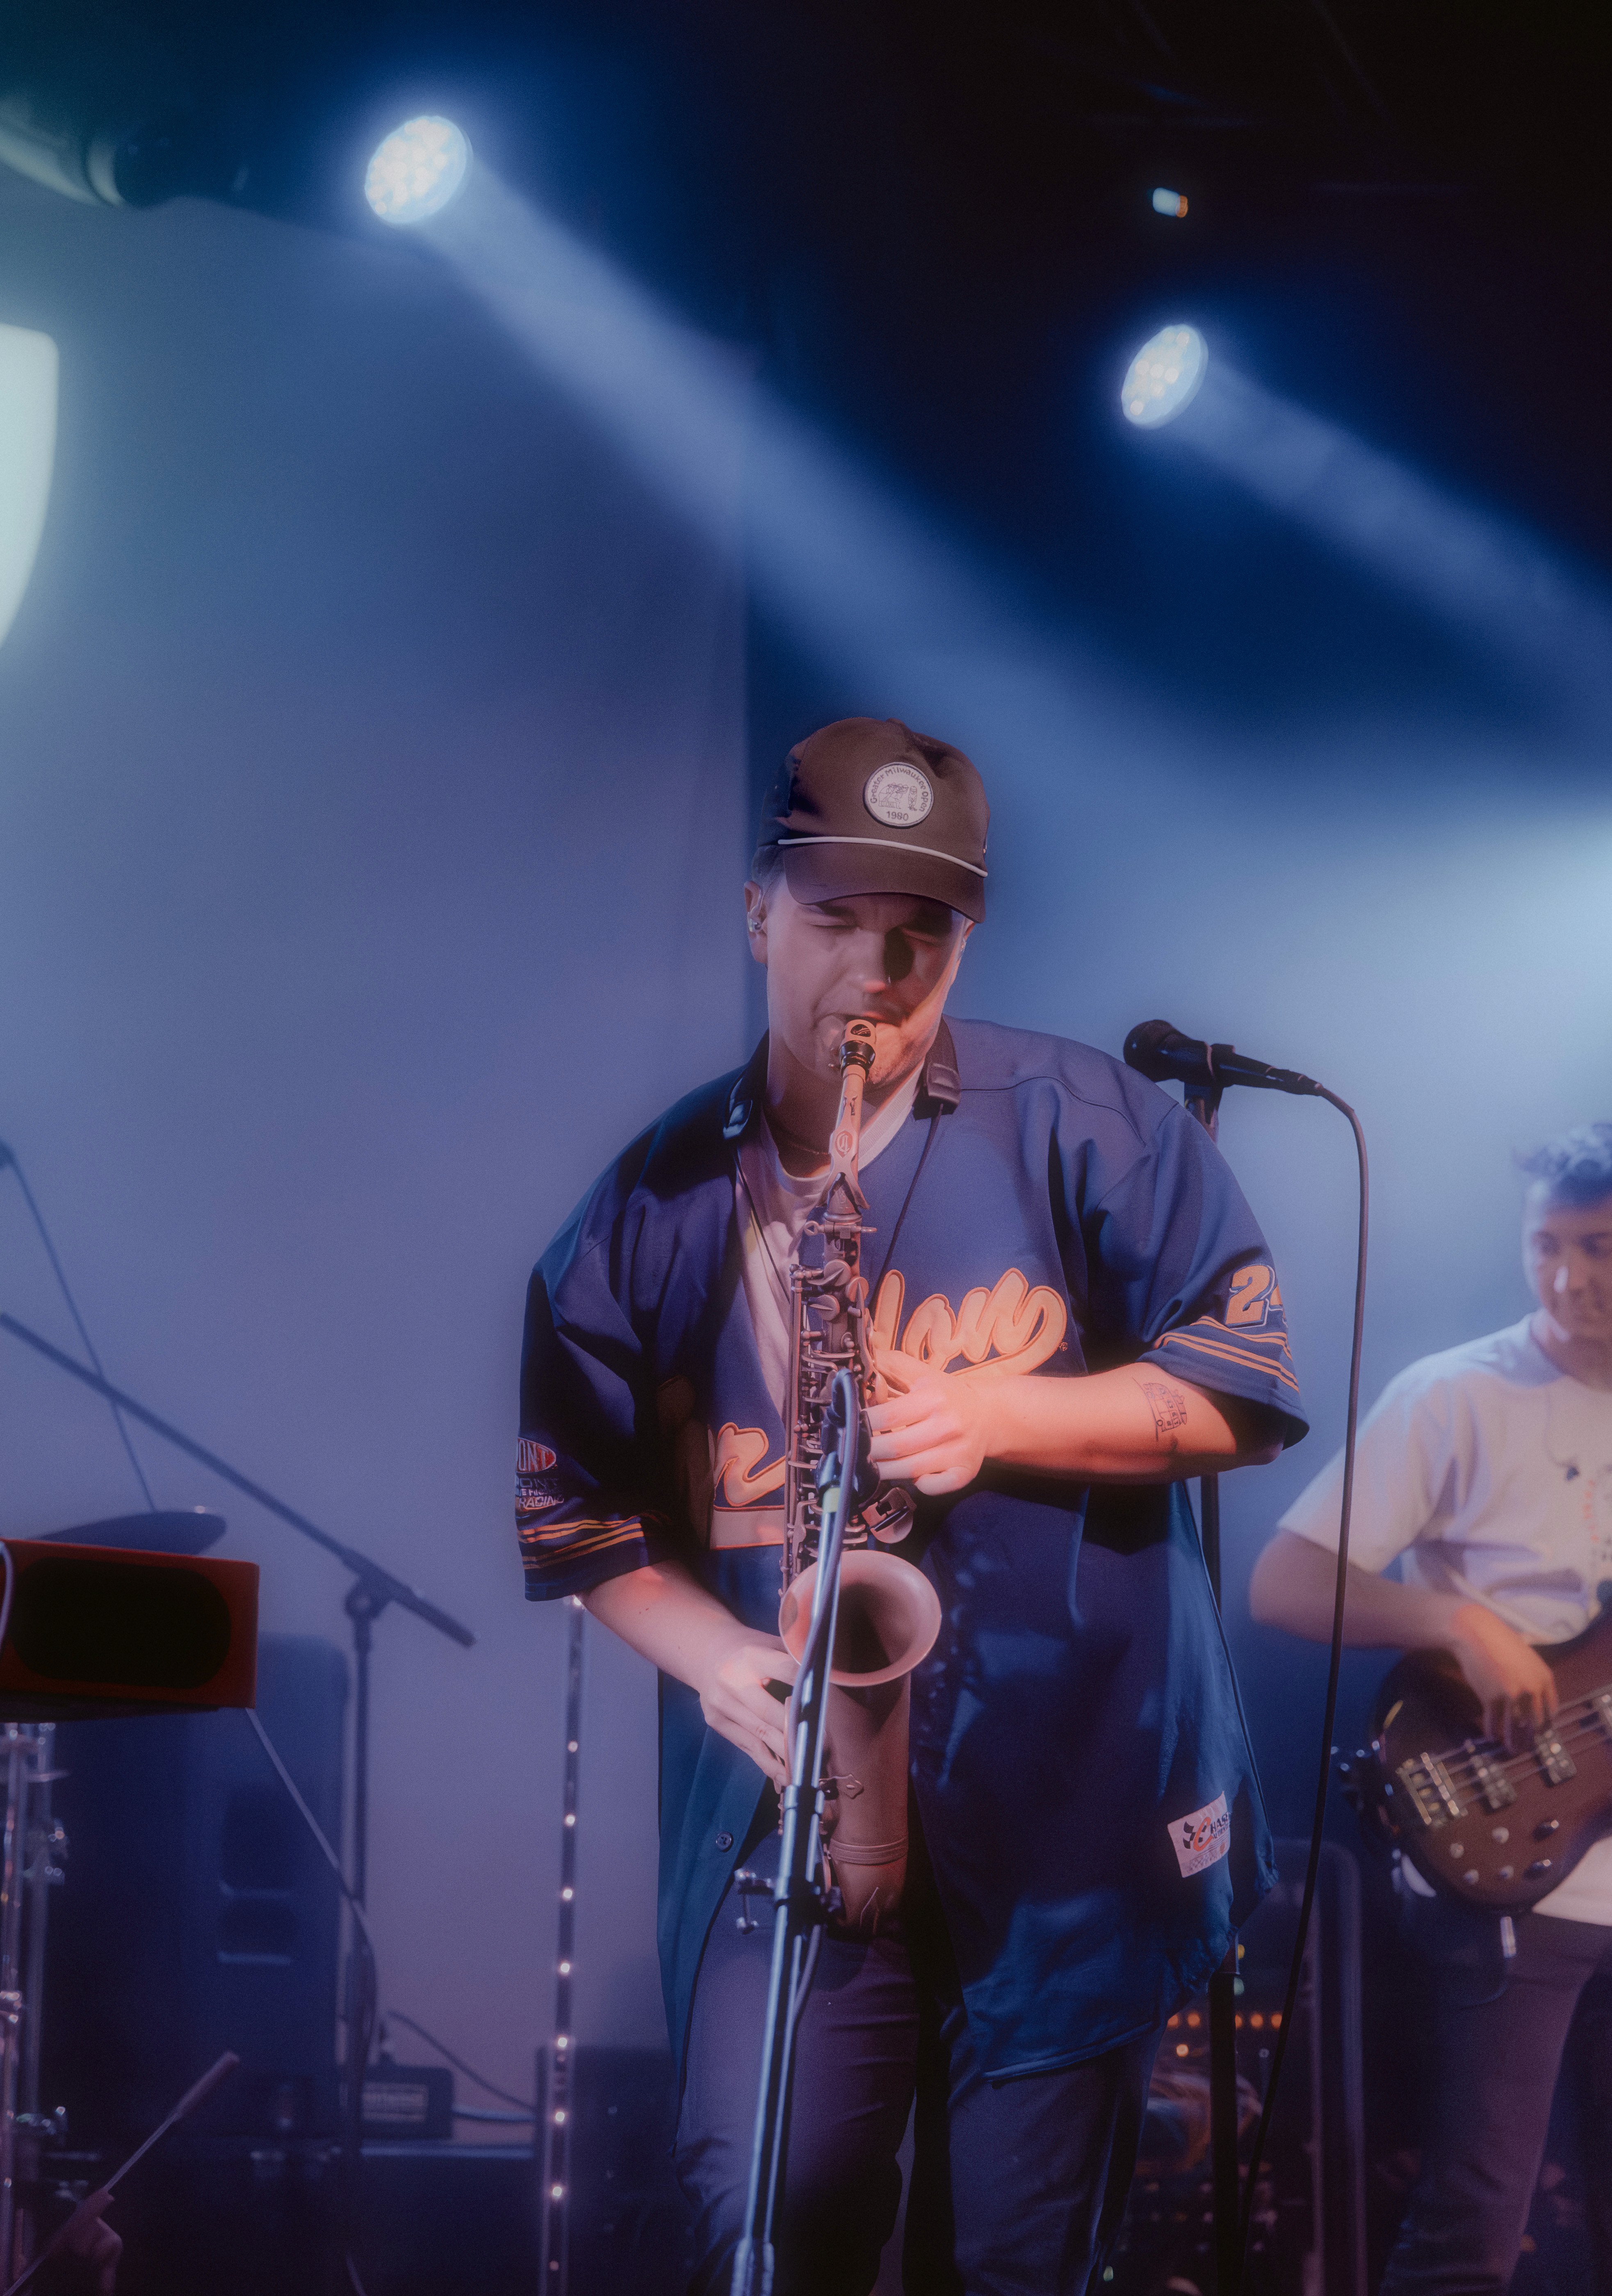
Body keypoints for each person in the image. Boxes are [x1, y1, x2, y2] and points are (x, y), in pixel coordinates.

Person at [517, 717, 1310, 2294]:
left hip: (1074, 1804)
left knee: (1017, 2261)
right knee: (768, 2207)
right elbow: (582, 1521)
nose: (876, 975)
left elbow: (1243, 1383)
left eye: (923, 933)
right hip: (792, 1813)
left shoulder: (1093, 1121)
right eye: (835, 920)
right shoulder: (652, 1202)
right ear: (758, 914)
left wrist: (1004, 1413)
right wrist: (717, 1662)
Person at [1249, 1122, 1612, 2296]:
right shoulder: (1452, 1395)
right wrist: (1459, 1622)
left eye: (1599, 1246)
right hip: (1499, 1852)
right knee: (1471, 2233)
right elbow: (1284, 1582)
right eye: (1546, 1246)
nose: (1568, 1278)